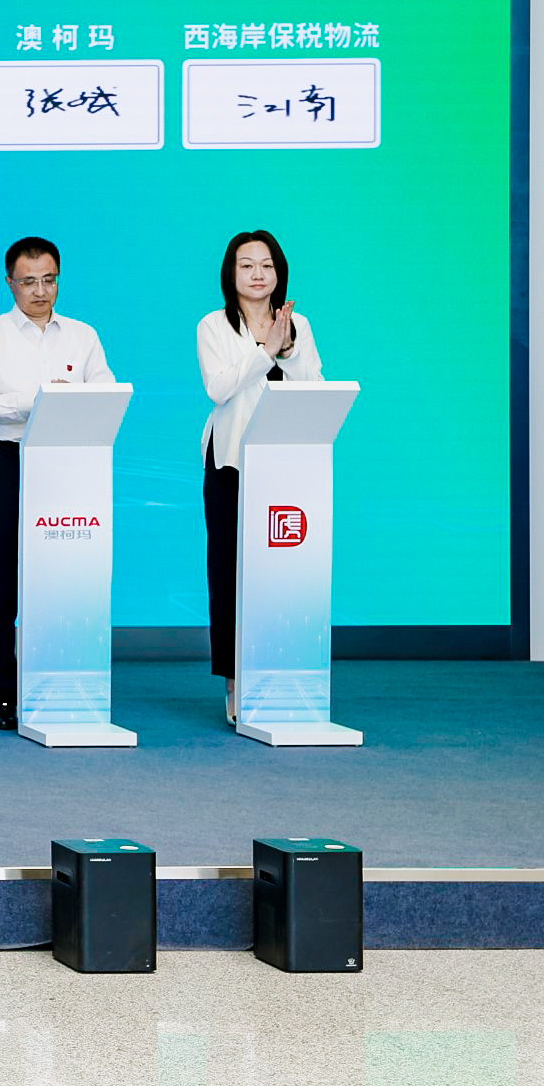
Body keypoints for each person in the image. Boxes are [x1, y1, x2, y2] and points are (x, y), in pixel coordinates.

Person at [0, 236, 114, 731]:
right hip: (7, 460)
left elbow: (106, 390)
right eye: (29, 282)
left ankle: (63, 677)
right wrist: (39, 401)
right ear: (10, 283)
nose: (40, 291)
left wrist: (76, 400)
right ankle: (1, 691)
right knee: (1, 579)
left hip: (67, 463)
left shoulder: (83, 336)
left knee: (64, 573)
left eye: (49, 280)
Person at [199, 228, 319, 721]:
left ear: (279, 273)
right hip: (230, 461)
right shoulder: (213, 325)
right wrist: (264, 351)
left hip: (284, 462)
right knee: (229, 571)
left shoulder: (298, 324)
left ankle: (281, 672)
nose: (257, 274)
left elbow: (314, 385)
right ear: (231, 273)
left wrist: (287, 350)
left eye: (266, 265)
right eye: (247, 265)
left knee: (280, 572)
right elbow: (219, 388)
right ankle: (234, 680)